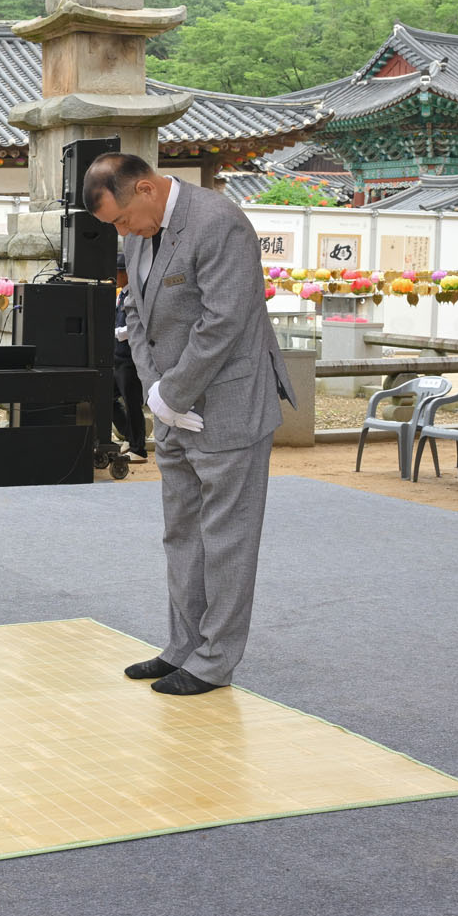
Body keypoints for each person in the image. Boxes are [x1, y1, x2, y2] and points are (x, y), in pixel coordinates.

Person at [85, 152, 294, 697]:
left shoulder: (218, 222)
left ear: (146, 189)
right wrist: (157, 392)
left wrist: (172, 392)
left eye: (122, 220)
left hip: (227, 404)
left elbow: (224, 320)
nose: (122, 232)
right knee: (181, 531)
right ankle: (183, 646)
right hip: (172, 407)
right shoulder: (139, 230)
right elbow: (135, 313)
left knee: (227, 537)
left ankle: (215, 659)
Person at [110, 255, 146, 463]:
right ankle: (128, 434)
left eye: (117, 272)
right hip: (118, 356)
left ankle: (138, 448)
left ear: (125, 273)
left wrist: (115, 332)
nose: (114, 277)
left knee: (132, 403)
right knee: (108, 398)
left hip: (130, 358)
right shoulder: (121, 294)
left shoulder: (135, 294)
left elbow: (136, 327)